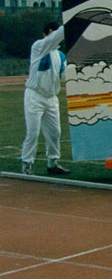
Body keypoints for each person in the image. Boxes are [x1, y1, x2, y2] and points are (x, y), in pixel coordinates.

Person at [21, 21, 70, 175]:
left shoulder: (61, 56)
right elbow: (53, 39)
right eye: (51, 32)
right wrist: (70, 22)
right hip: (34, 96)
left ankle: (52, 163)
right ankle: (27, 163)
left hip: (51, 98)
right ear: (47, 32)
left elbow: (64, 74)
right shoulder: (38, 47)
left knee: (55, 132)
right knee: (33, 132)